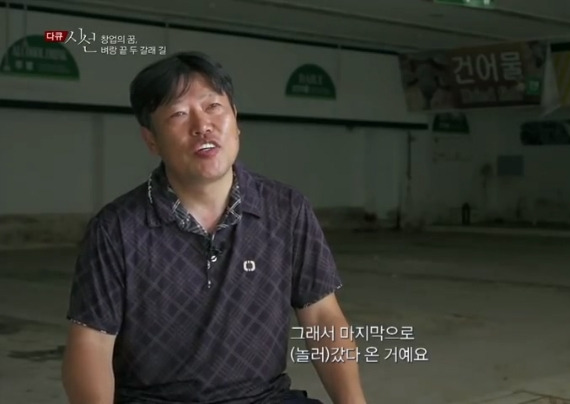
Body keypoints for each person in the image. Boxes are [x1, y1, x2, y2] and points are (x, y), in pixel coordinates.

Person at [60, 51, 367, 404]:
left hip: (263, 399)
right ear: (151, 140)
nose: (202, 125)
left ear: (235, 119)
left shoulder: (286, 209)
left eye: (213, 107)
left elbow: (322, 318)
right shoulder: (116, 228)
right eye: (178, 114)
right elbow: (91, 343)